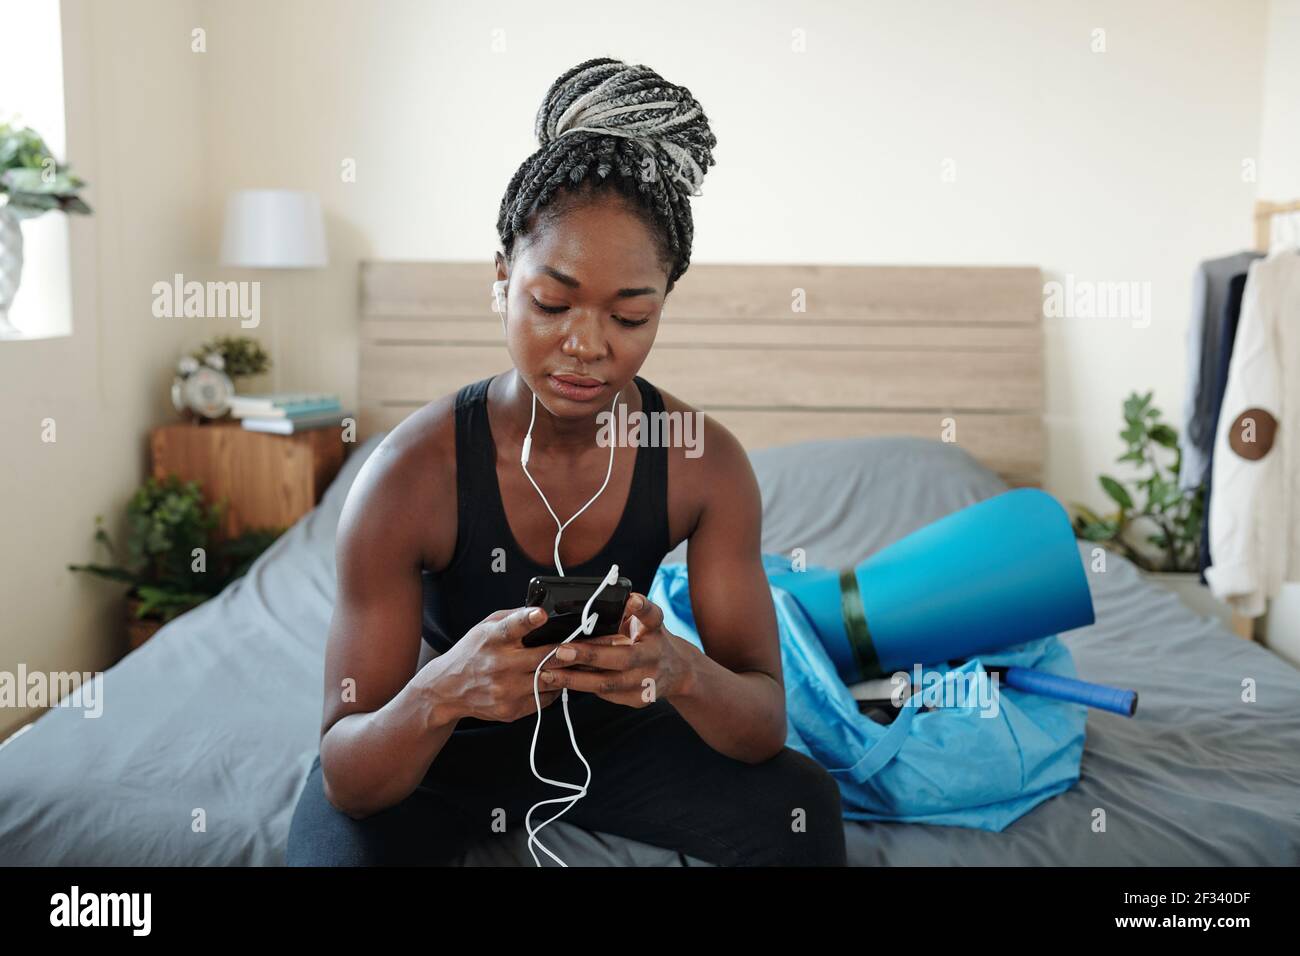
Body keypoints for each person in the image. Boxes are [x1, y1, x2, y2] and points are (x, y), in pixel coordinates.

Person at [286, 57, 847, 867]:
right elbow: (349, 772)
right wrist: (446, 691)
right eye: (551, 303)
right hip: (437, 750)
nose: (586, 346)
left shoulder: (702, 465)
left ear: (662, 308)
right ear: (502, 279)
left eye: (630, 315)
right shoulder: (407, 477)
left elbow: (763, 725)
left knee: (801, 802)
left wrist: (680, 671)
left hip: (615, 741)